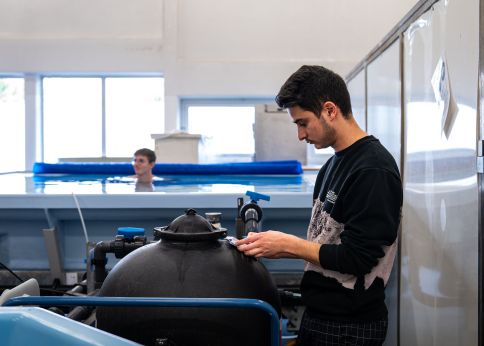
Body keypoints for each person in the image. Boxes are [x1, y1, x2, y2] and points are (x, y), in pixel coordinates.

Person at [236, 65, 403, 345]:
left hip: (350, 327)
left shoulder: (373, 169)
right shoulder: (332, 165)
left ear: (329, 110)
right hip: (322, 316)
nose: (300, 135)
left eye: (303, 123)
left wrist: (288, 246)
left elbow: (358, 259)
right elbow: (328, 240)